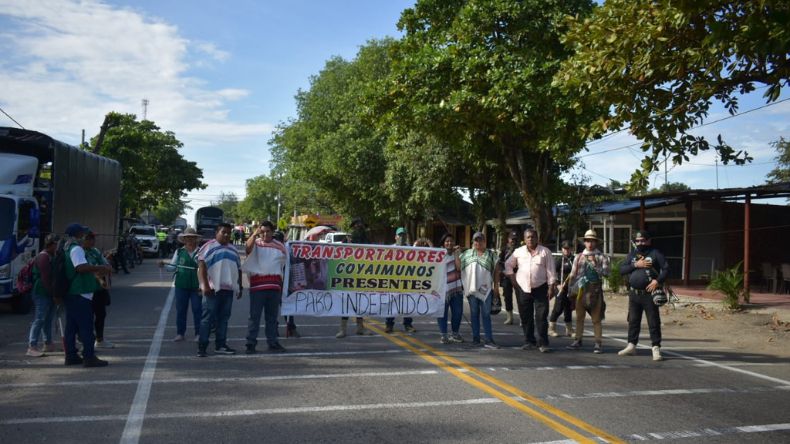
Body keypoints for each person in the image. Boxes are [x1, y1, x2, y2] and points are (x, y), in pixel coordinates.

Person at [62, 223, 112, 367]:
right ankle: (89, 356)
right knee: (86, 327)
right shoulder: (76, 248)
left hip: (73, 292)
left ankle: (71, 355)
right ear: (77, 235)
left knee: (71, 327)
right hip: (80, 292)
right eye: (82, 233)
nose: (84, 236)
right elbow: (81, 267)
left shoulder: (67, 247)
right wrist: (100, 267)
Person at [618, 230, 669, 361]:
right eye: (637, 241)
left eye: (643, 240)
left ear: (649, 240)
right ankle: (631, 345)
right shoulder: (632, 255)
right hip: (634, 294)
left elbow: (666, 268)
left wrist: (657, 281)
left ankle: (656, 348)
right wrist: (636, 264)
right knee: (633, 321)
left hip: (649, 294)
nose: (640, 243)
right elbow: (622, 270)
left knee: (653, 322)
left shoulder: (655, 253)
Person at [505, 228, 557, 353]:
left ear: (537, 238)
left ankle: (543, 343)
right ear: (524, 239)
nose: (530, 239)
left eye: (533, 237)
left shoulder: (545, 252)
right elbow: (508, 265)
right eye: (528, 237)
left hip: (541, 288)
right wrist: (513, 280)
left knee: (541, 316)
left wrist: (551, 287)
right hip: (523, 288)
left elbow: (551, 271)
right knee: (525, 316)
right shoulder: (518, 252)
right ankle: (529, 341)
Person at [197, 223, 242, 357]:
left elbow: (238, 269)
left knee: (224, 319)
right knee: (207, 319)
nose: (226, 235)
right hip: (212, 290)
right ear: (217, 232)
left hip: (227, 290)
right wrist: (204, 286)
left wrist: (240, 287)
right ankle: (202, 346)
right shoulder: (208, 247)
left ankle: (220, 345)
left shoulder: (233, 249)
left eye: (229, 232)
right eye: (224, 232)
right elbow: (201, 268)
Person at [243, 220, 288, 353]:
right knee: (254, 317)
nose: (265, 234)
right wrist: (254, 234)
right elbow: (247, 248)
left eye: (268, 231)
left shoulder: (280, 246)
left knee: (272, 318)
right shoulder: (255, 244)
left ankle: (272, 342)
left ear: (272, 232)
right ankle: (250, 343)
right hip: (257, 287)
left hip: (274, 287)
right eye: (262, 232)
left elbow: (286, 264)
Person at [566, 230, 610, 353]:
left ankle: (598, 343)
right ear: (584, 242)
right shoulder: (578, 256)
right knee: (579, 317)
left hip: (595, 291)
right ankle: (577, 340)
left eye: (592, 241)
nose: (589, 243)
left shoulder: (601, 257)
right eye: (587, 241)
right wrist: (570, 291)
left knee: (596, 319)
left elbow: (607, 273)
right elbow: (573, 275)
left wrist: (595, 264)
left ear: (596, 242)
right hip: (580, 290)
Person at [459, 231, 500, 348]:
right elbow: (458, 266)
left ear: (484, 241)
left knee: (486, 314)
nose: (478, 242)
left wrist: (496, 288)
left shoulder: (491, 255)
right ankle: (475, 338)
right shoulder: (466, 254)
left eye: (480, 240)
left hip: (485, 290)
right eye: (476, 240)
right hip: (471, 289)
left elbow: (497, 272)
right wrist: (456, 252)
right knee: (474, 314)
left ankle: (488, 339)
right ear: (473, 242)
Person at [160, 227, 202, 342]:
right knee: (181, 310)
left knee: (197, 309)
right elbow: (172, 267)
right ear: (184, 239)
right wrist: (163, 265)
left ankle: (199, 333)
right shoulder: (179, 252)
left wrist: (203, 285)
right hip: (181, 285)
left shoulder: (201, 252)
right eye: (187, 237)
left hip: (196, 286)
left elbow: (205, 269)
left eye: (192, 237)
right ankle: (180, 333)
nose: (189, 239)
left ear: (195, 239)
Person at [26, 234, 60, 357]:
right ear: (51, 244)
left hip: (49, 292)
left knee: (48, 319)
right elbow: (46, 278)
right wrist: (53, 294)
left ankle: (48, 343)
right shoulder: (43, 257)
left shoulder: (52, 256)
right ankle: (32, 345)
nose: (57, 247)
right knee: (39, 318)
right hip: (41, 292)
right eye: (56, 244)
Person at [337, 217, 369, 338]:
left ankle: (360, 327)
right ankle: (343, 329)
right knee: (346, 301)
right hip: (349, 275)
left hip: (362, 274)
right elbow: (340, 254)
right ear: (353, 226)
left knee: (360, 301)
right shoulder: (347, 240)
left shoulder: (366, 239)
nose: (359, 227)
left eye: (361, 225)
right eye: (357, 225)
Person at [84, 230, 114, 349]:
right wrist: (100, 270)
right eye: (90, 238)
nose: (93, 241)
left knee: (101, 314)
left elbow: (106, 266)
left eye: (93, 238)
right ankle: (86, 340)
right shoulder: (81, 252)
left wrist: (103, 268)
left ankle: (99, 339)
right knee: (87, 316)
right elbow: (90, 269)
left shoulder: (95, 251)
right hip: (88, 288)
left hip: (99, 288)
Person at [385, 227, 416, 333]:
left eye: (403, 235)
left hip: (407, 281)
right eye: (400, 235)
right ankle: (389, 324)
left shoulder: (411, 249)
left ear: (406, 237)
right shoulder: (390, 249)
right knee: (391, 302)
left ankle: (408, 324)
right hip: (393, 281)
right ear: (395, 237)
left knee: (407, 302)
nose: (401, 237)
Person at [437, 233, 464, 344]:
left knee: (457, 313)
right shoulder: (438, 254)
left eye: (451, 241)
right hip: (442, 288)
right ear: (443, 243)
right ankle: (444, 335)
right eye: (447, 241)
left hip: (456, 288)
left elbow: (459, 268)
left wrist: (457, 254)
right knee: (442, 313)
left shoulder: (457, 254)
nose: (449, 243)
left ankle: (455, 334)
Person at [549, 240, 575, 338]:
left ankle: (569, 329)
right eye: (565, 248)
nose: (567, 250)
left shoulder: (574, 259)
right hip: (560, 287)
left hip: (571, 287)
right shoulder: (559, 260)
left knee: (568, 308)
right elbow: (552, 273)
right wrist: (557, 284)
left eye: (568, 248)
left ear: (572, 249)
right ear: (562, 249)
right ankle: (551, 328)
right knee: (558, 307)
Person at [498, 230, 519, 325]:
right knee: (507, 296)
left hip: (518, 276)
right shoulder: (504, 249)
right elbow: (499, 263)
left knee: (521, 297)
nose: (513, 241)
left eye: (515, 239)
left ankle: (523, 318)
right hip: (507, 277)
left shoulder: (520, 249)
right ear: (508, 239)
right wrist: (503, 272)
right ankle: (509, 317)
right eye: (511, 239)